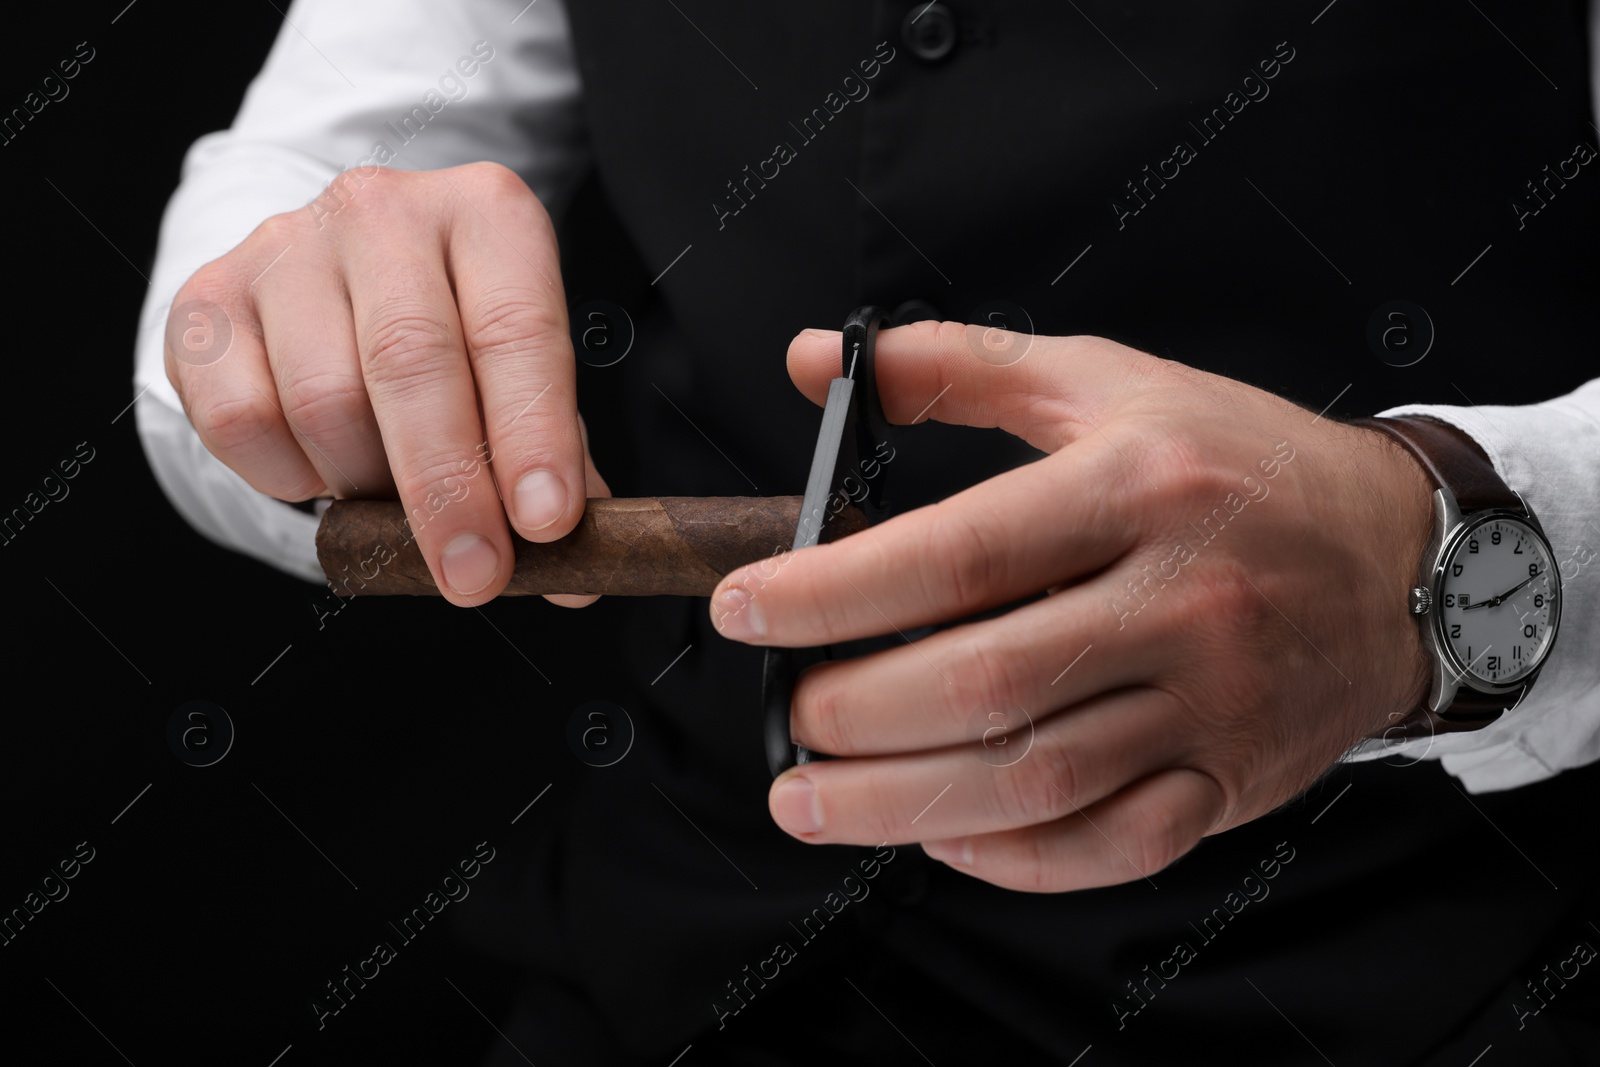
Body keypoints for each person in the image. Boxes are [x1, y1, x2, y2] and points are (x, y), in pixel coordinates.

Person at [136, 1, 1600, 1062]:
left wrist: (1445, 541)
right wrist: (283, 336)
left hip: (1440, 971)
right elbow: (274, 206)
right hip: (675, 954)